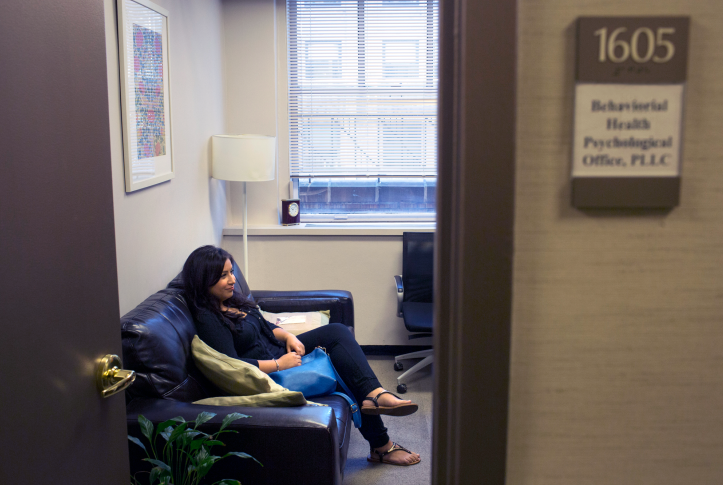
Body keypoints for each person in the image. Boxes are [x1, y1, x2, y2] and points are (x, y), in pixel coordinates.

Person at [182, 245, 422, 466]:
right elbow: (233, 365)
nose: (232, 279)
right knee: (344, 372)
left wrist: (288, 336)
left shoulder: (229, 300)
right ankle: (381, 446)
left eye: (231, 272)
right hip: (270, 373)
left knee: (336, 332)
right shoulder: (208, 319)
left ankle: (376, 394)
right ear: (204, 280)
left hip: (278, 353)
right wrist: (278, 364)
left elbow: (263, 326)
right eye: (223, 275)